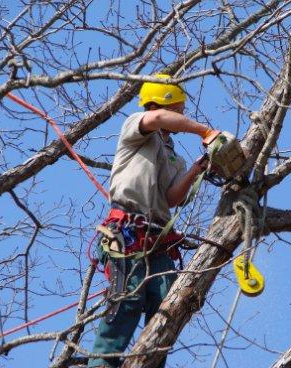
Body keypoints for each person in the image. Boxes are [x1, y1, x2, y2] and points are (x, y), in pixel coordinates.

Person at [88, 74, 217, 368]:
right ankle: (102, 365)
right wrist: (204, 131)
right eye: (179, 110)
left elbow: (172, 198)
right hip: (126, 233)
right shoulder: (137, 127)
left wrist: (199, 167)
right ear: (165, 103)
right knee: (127, 302)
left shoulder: (173, 156)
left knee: (167, 306)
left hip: (157, 241)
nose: (181, 117)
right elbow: (157, 117)